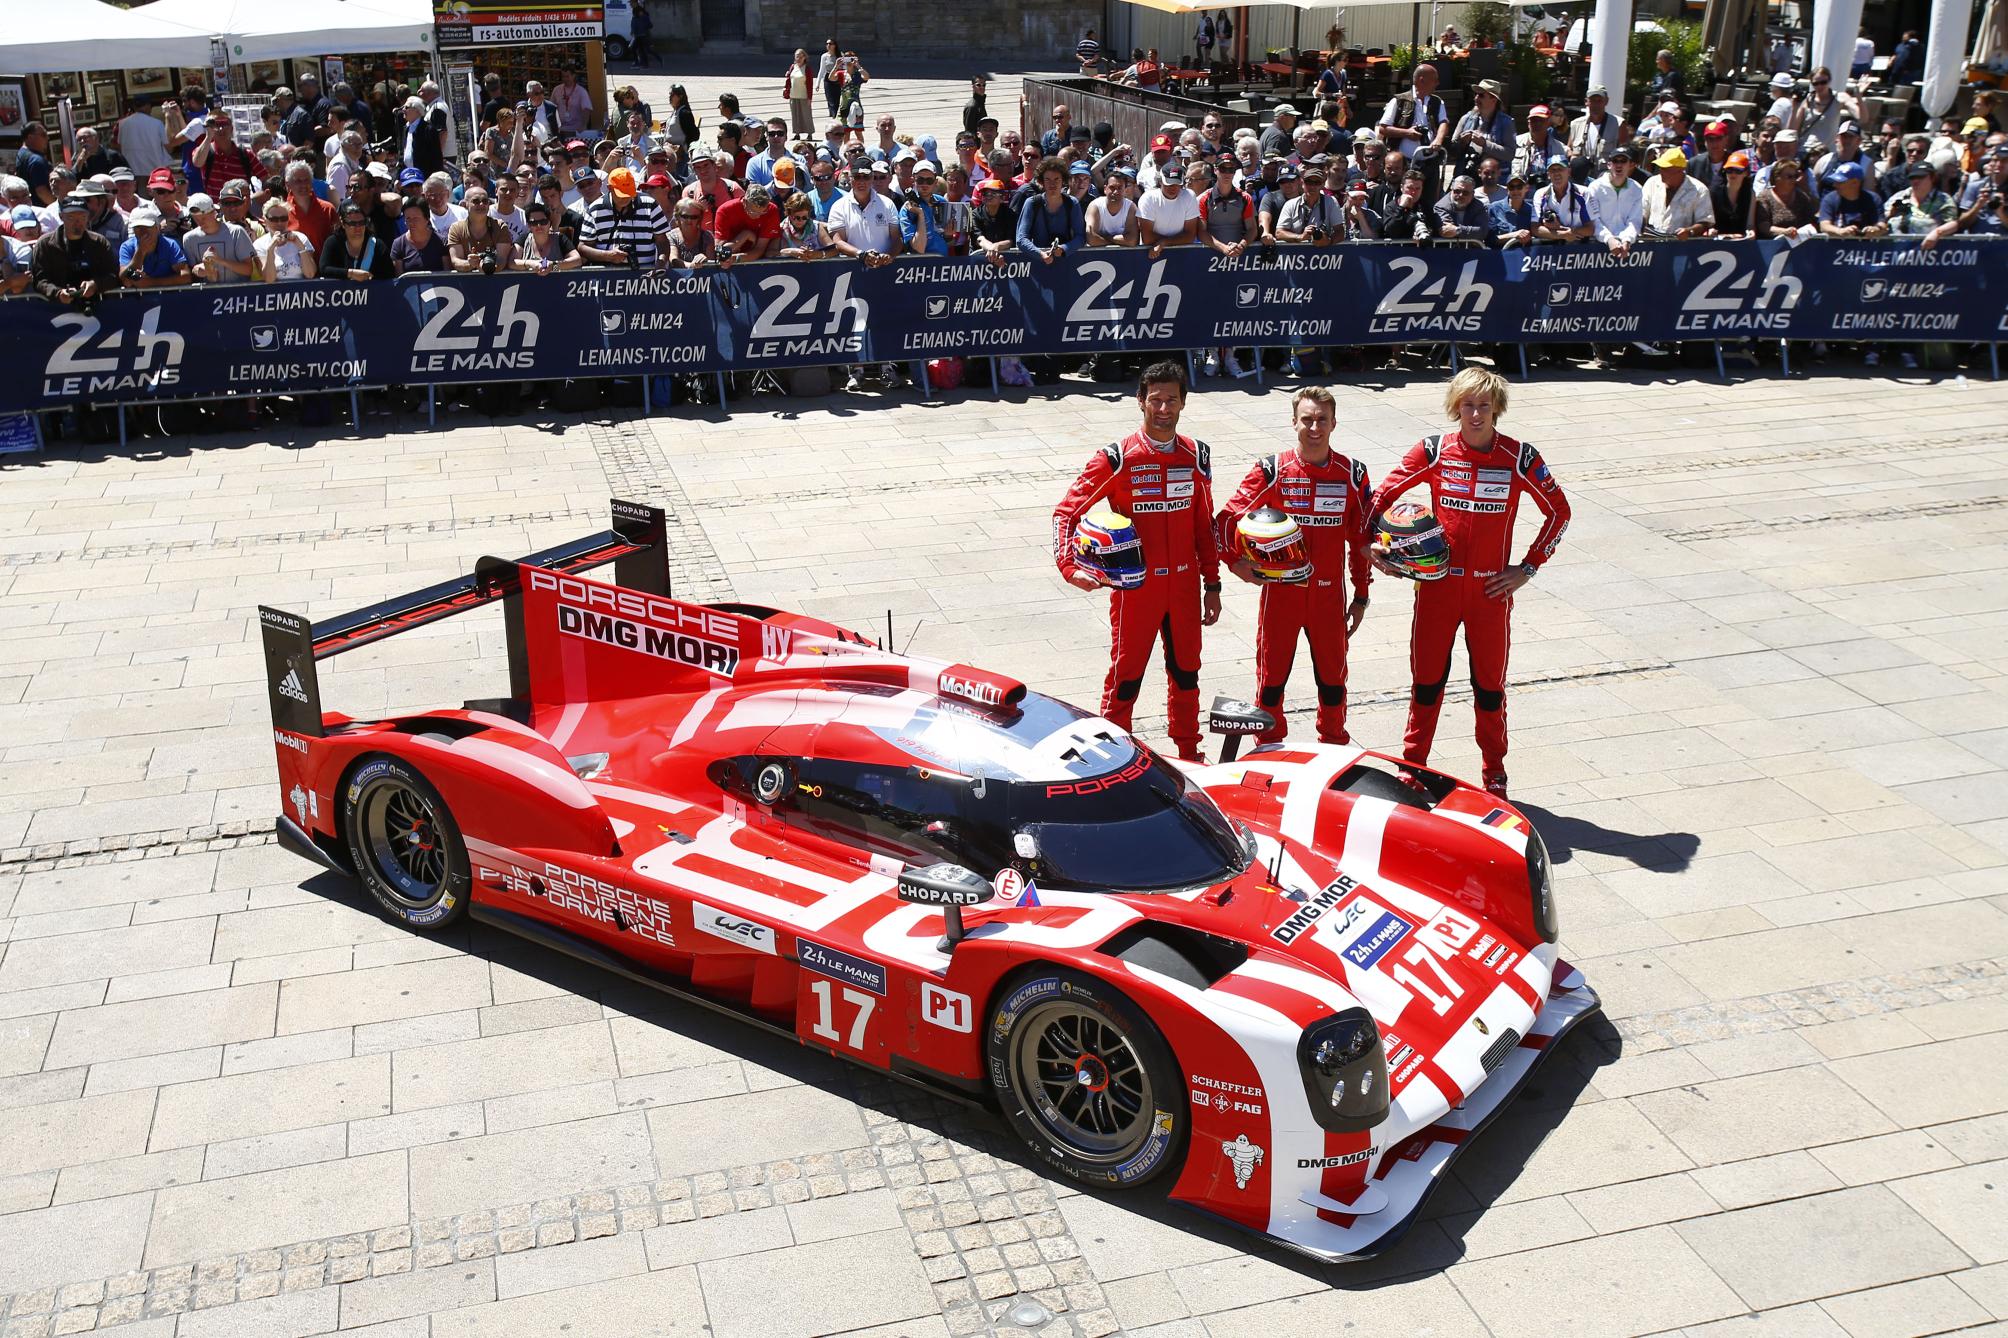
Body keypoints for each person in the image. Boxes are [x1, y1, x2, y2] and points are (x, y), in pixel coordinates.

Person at [1369, 368, 1569, 796]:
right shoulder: (1433, 450)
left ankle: (1494, 772)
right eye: (1467, 405)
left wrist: (1528, 568)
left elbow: (1560, 512)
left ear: (1497, 408)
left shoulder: (1520, 456)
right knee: (1426, 684)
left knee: (1490, 689)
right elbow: (1379, 500)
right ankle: (1412, 766)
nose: (1475, 414)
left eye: (1483, 405)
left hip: (1490, 594)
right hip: (1437, 589)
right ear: (1455, 407)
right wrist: (1377, 547)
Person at [1051, 361, 1221, 761]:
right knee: (1126, 678)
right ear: (1140, 401)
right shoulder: (1117, 457)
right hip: (1135, 589)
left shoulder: (1196, 455)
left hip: (1184, 586)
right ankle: (1109, 756)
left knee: (1187, 675)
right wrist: (1070, 567)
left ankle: (1189, 753)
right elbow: (1066, 514)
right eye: (1156, 400)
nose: (1164, 409)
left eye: (1172, 401)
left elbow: (1203, 525)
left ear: (1183, 404)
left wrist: (1212, 585)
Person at [1215, 386, 1372, 745]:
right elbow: (1224, 520)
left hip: (1329, 599)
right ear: (1293, 422)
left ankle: (1333, 747)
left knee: (1333, 684)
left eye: (1321, 420)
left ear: (1334, 424)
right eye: (1307, 420)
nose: (1314, 428)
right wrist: (1235, 563)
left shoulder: (1353, 474)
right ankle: (1269, 749)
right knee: (1271, 684)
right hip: (1280, 597)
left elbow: (1360, 540)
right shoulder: (1272, 470)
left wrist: (1361, 595)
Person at [32, 195, 121, 303]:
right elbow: (39, 280)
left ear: (88, 217)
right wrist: (58, 293)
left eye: (82, 217)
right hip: (55, 308)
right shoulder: (45, 244)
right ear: (61, 216)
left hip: (97, 306)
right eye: (71, 217)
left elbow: (113, 275)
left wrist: (95, 285)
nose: (77, 223)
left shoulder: (99, 242)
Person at [580, 167, 668, 267]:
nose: (626, 198)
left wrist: (661, 262)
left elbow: (662, 241)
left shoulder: (650, 204)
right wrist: (607, 256)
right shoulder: (595, 209)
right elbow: (583, 247)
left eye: (629, 193)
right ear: (609, 188)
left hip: (645, 273)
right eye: (621, 194)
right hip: (606, 274)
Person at [182, 192, 257, 282]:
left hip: (237, 294)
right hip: (207, 295)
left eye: (203, 218)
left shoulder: (236, 232)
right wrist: (197, 270)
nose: (200, 222)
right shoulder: (188, 239)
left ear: (214, 213)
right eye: (196, 219)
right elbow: (190, 272)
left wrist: (219, 261)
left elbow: (248, 270)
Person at [1641, 147, 1713, 237]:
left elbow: (1705, 222)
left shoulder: (1699, 190)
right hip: (1652, 242)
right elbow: (1642, 211)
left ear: (1680, 170)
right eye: (1661, 168)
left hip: (1683, 245)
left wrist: (1689, 231)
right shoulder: (1652, 183)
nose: (1661, 171)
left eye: (1665, 169)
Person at [116, 205, 191, 288]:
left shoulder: (170, 245)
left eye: (147, 227)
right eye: (138, 227)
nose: (143, 232)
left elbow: (186, 276)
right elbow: (124, 278)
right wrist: (140, 252)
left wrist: (150, 282)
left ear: (157, 228)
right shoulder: (127, 247)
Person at [1136, 163, 1200, 257]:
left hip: (1181, 253)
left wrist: (1164, 242)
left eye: (1176, 183)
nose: (1173, 187)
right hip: (1152, 253)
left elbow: (1190, 235)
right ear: (1160, 181)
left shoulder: (1189, 196)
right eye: (1168, 183)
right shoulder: (1148, 199)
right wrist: (1169, 242)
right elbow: (1147, 238)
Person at [320, 201, 394, 280]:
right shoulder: (333, 242)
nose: (358, 227)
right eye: (352, 223)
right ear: (343, 224)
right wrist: (351, 273)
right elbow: (324, 269)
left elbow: (389, 274)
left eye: (361, 222)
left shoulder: (377, 245)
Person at [715, 184, 783, 259]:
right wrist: (744, 236)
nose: (758, 216)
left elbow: (760, 249)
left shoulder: (771, 210)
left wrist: (736, 259)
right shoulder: (725, 210)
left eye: (763, 212)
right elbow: (719, 251)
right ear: (744, 202)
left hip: (758, 262)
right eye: (753, 212)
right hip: (729, 261)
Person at [255, 199, 317, 281]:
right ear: (265, 220)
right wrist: (270, 250)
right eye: (274, 219)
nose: (279, 223)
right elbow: (269, 279)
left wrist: (300, 246)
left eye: (283, 218)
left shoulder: (301, 238)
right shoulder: (259, 244)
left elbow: (310, 274)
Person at [1709, 151, 1764, 237]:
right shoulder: (1714, 192)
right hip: (1718, 242)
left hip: (1741, 241)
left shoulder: (1750, 193)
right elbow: (1710, 223)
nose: (1733, 174)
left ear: (1746, 173)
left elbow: (1750, 225)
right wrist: (1711, 230)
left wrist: (1751, 232)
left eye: (1738, 170)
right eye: (1729, 170)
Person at [391, 199, 448, 273]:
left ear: (427, 219)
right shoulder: (398, 244)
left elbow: (447, 274)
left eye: (416, 219)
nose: (411, 223)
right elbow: (399, 278)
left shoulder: (442, 241)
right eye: (408, 219)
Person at [783, 49, 816, 134]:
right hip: (793, 95)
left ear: (804, 57)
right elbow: (789, 80)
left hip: (804, 96)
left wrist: (810, 98)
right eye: (797, 56)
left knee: (806, 116)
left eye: (801, 56)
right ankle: (797, 133)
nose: (799, 58)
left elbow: (810, 84)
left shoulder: (807, 69)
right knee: (795, 116)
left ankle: (809, 133)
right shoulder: (793, 67)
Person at [631, 0, 656, 67]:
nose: (630, 4)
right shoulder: (635, 10)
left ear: (635, 3)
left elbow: (643, 21)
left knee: (641, 49)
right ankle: (641, 63)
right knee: (639, 49)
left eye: (631, 3)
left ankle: (644, 63)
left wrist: (639, 29)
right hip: (638, 34)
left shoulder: (639, 10)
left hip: (641, 34)